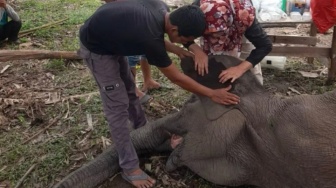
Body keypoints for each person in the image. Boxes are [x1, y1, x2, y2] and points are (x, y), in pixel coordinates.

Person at [78, 1, 240, 187]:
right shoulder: (150, 38)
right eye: (183, 39)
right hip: (97, 48)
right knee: (117, 109)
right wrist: (212, 94)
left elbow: (155, 36)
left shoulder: (163, 9)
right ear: (174, 28)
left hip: (114, 38)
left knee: (131, 91)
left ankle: (143, 132)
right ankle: (129, 168)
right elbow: (176, 77)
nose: (184, 43)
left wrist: (178, 48)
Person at [188, 0, 273, 85]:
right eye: (211, 33)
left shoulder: (244, 16)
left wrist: (240, 68)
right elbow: (180, 32)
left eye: (218, 33)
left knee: (251, 70)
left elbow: (265, 45)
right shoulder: (198, 11)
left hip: (238, 23)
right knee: (212, 64)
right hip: (217, 22)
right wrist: (197, 51)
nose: (216, 37)